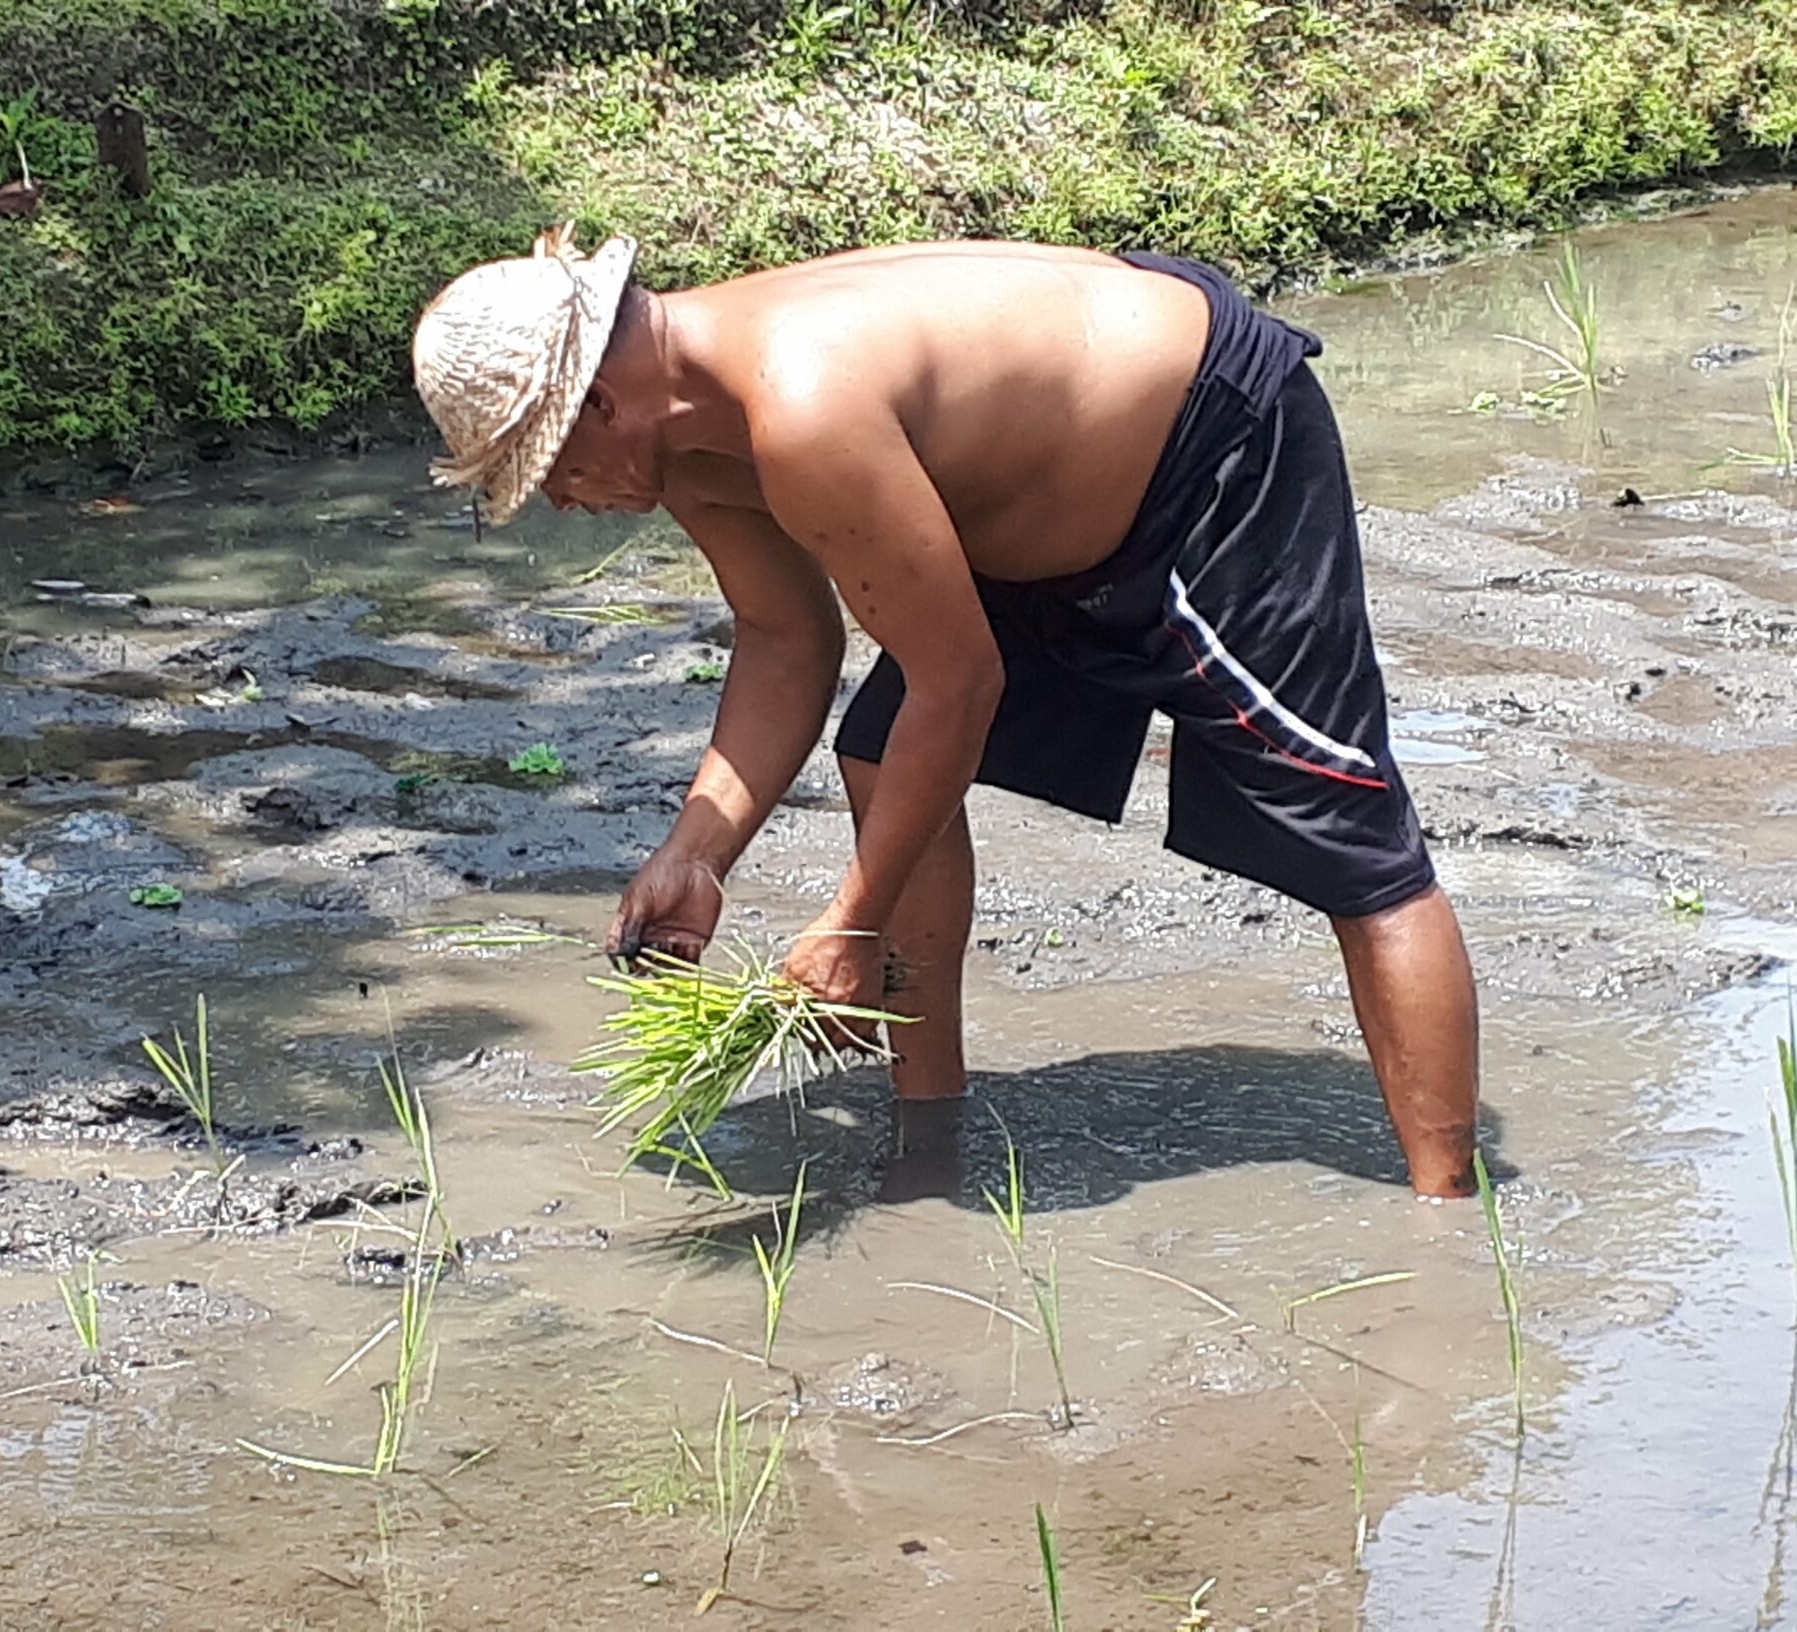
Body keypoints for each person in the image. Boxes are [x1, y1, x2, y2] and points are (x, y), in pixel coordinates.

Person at [409, 229, 1482, 1197]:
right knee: (880, 753)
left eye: (546, 468)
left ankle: (1446, 1214)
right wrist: (700, 851)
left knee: (1348, 833)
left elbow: (959, 685)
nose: (559, 500)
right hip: (1018, 502)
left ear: (597, 402)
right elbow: (787, 643)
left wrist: (852, 926)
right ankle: (927, 1136)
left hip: (1203, 450)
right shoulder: (686, 436)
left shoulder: (802, 403)